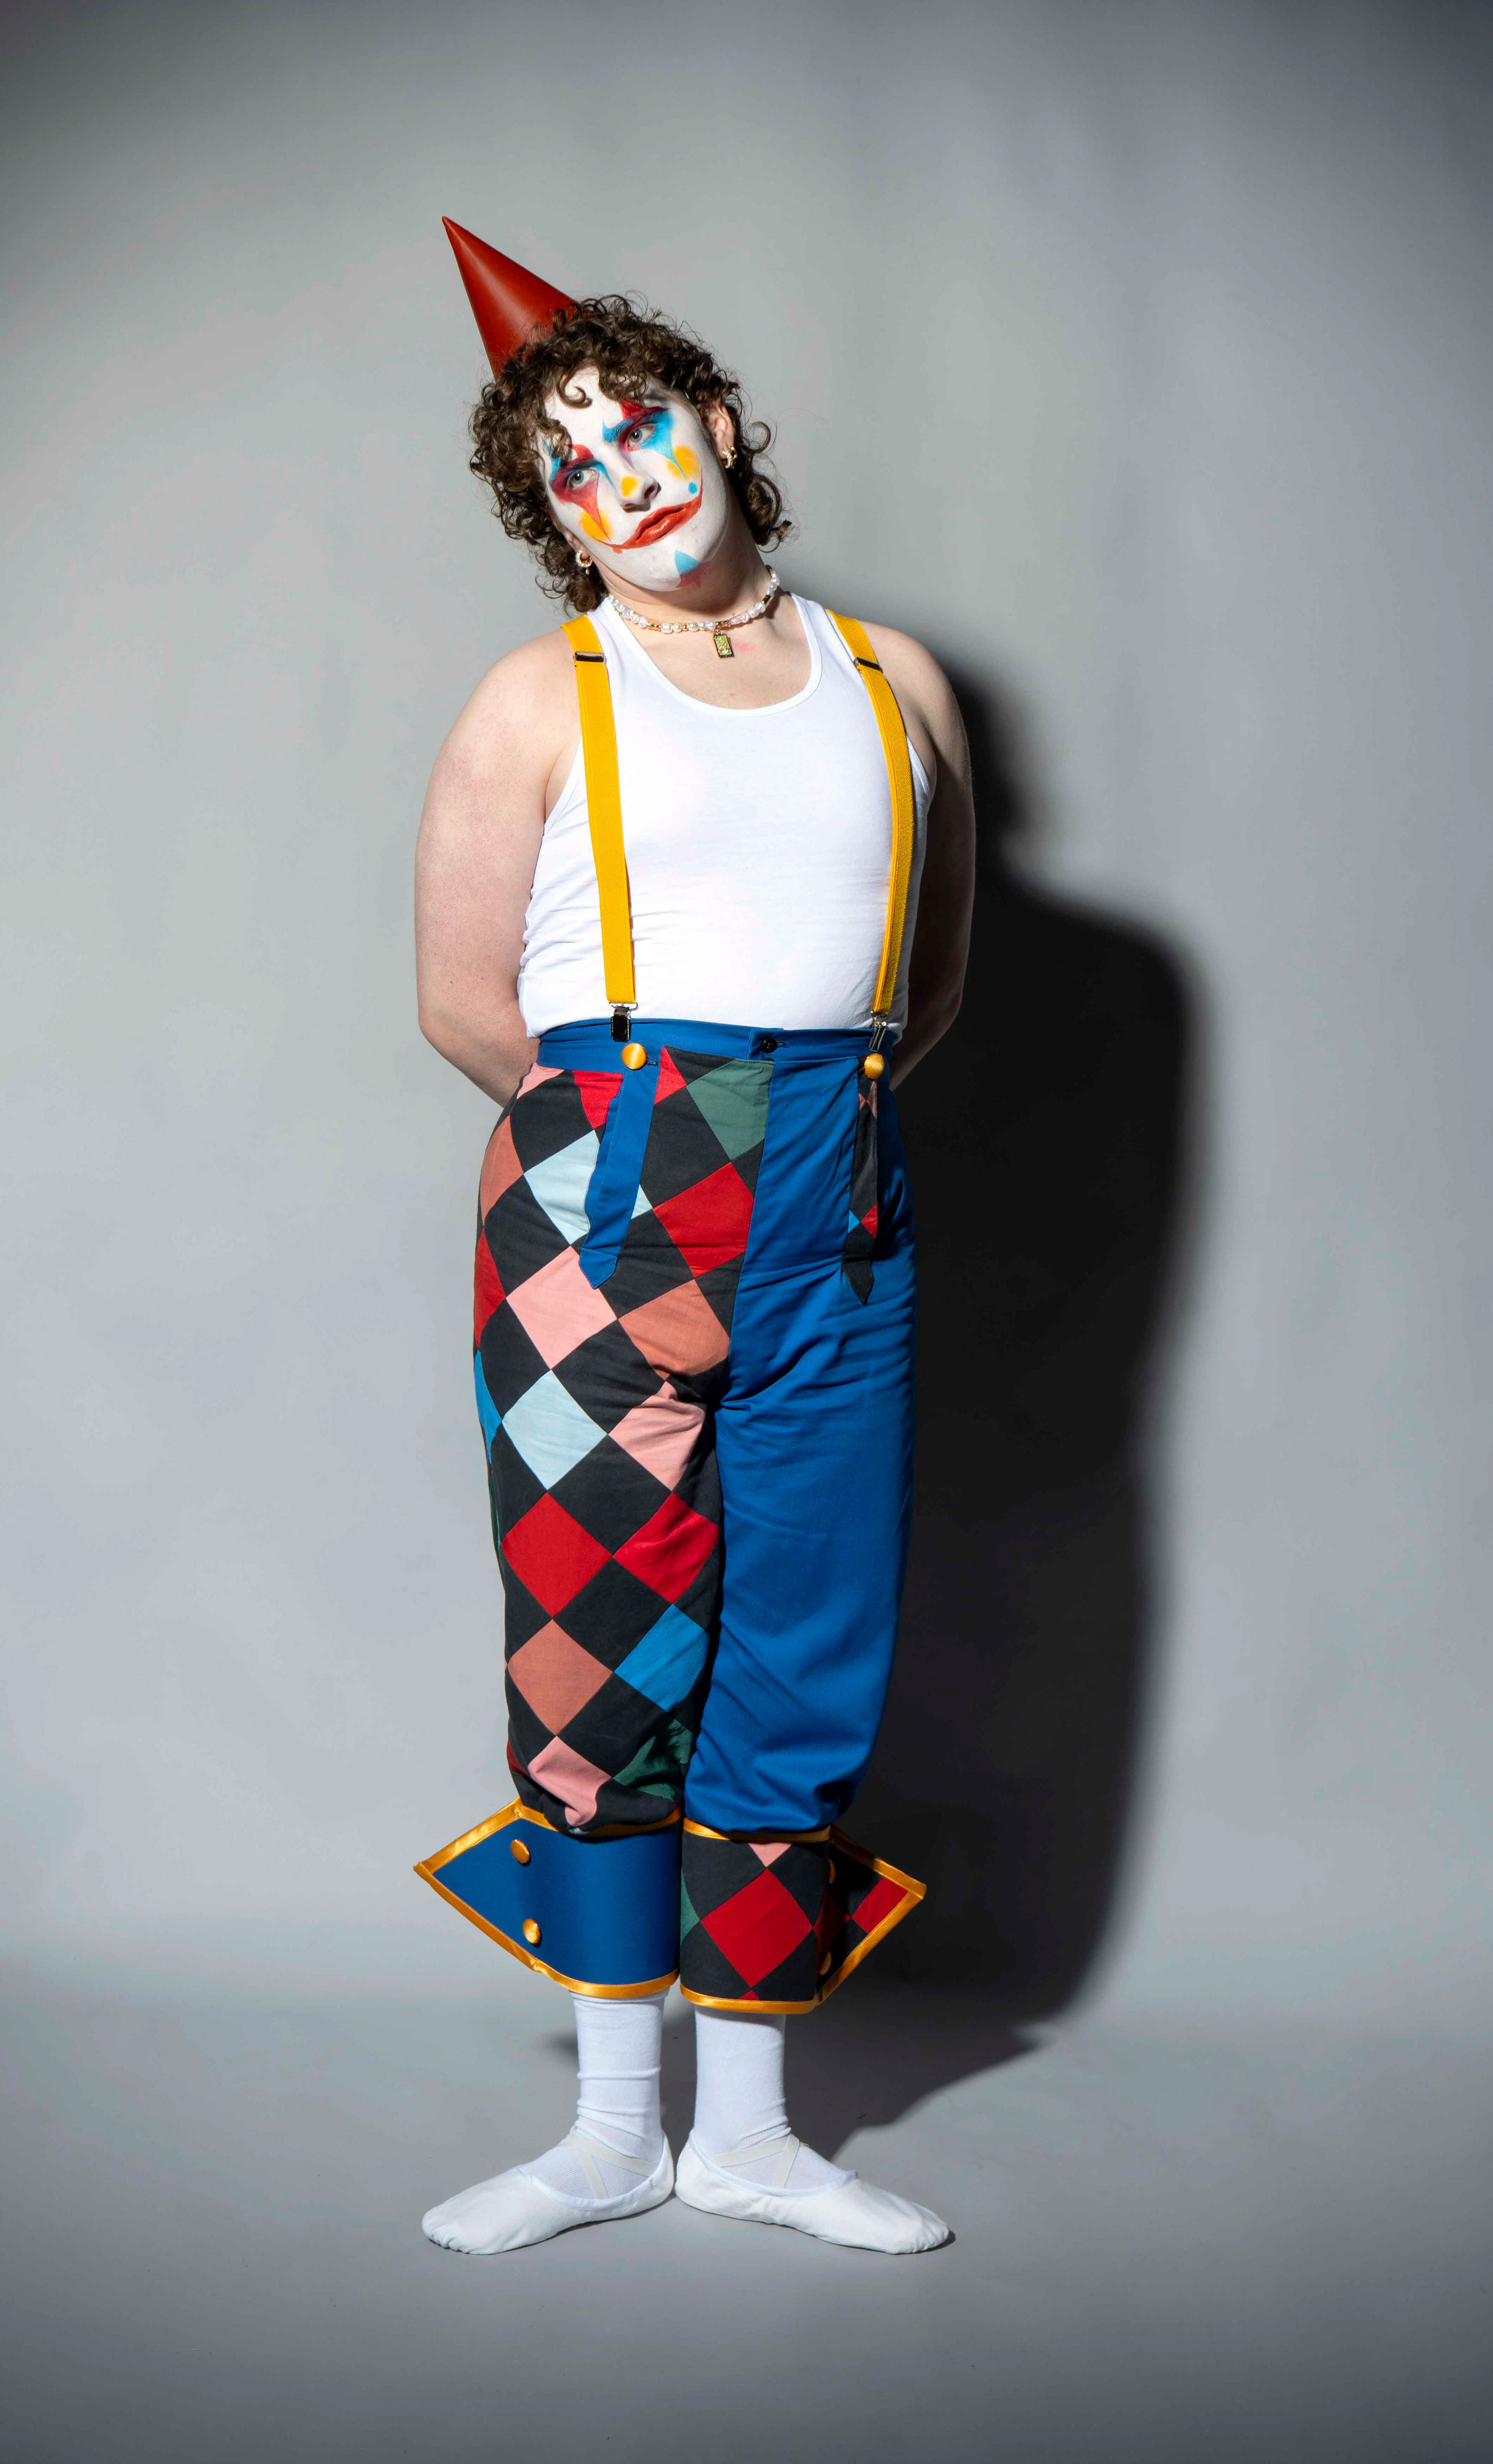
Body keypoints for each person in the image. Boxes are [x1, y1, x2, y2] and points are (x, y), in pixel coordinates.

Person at [412, 221, 975, 2257]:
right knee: (595, 1656)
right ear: (549, 515)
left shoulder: (898, 684)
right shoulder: (533, 698)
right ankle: (606, 2131)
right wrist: (631, 1163)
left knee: (808, 1642)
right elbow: (464, 1005)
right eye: (564, 464)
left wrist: (794, 1133)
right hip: (603, 1199)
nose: (617, 477)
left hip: (842, 1198)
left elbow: (931, 982)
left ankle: (745, 2135)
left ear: (720, 422)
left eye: (633, 422)